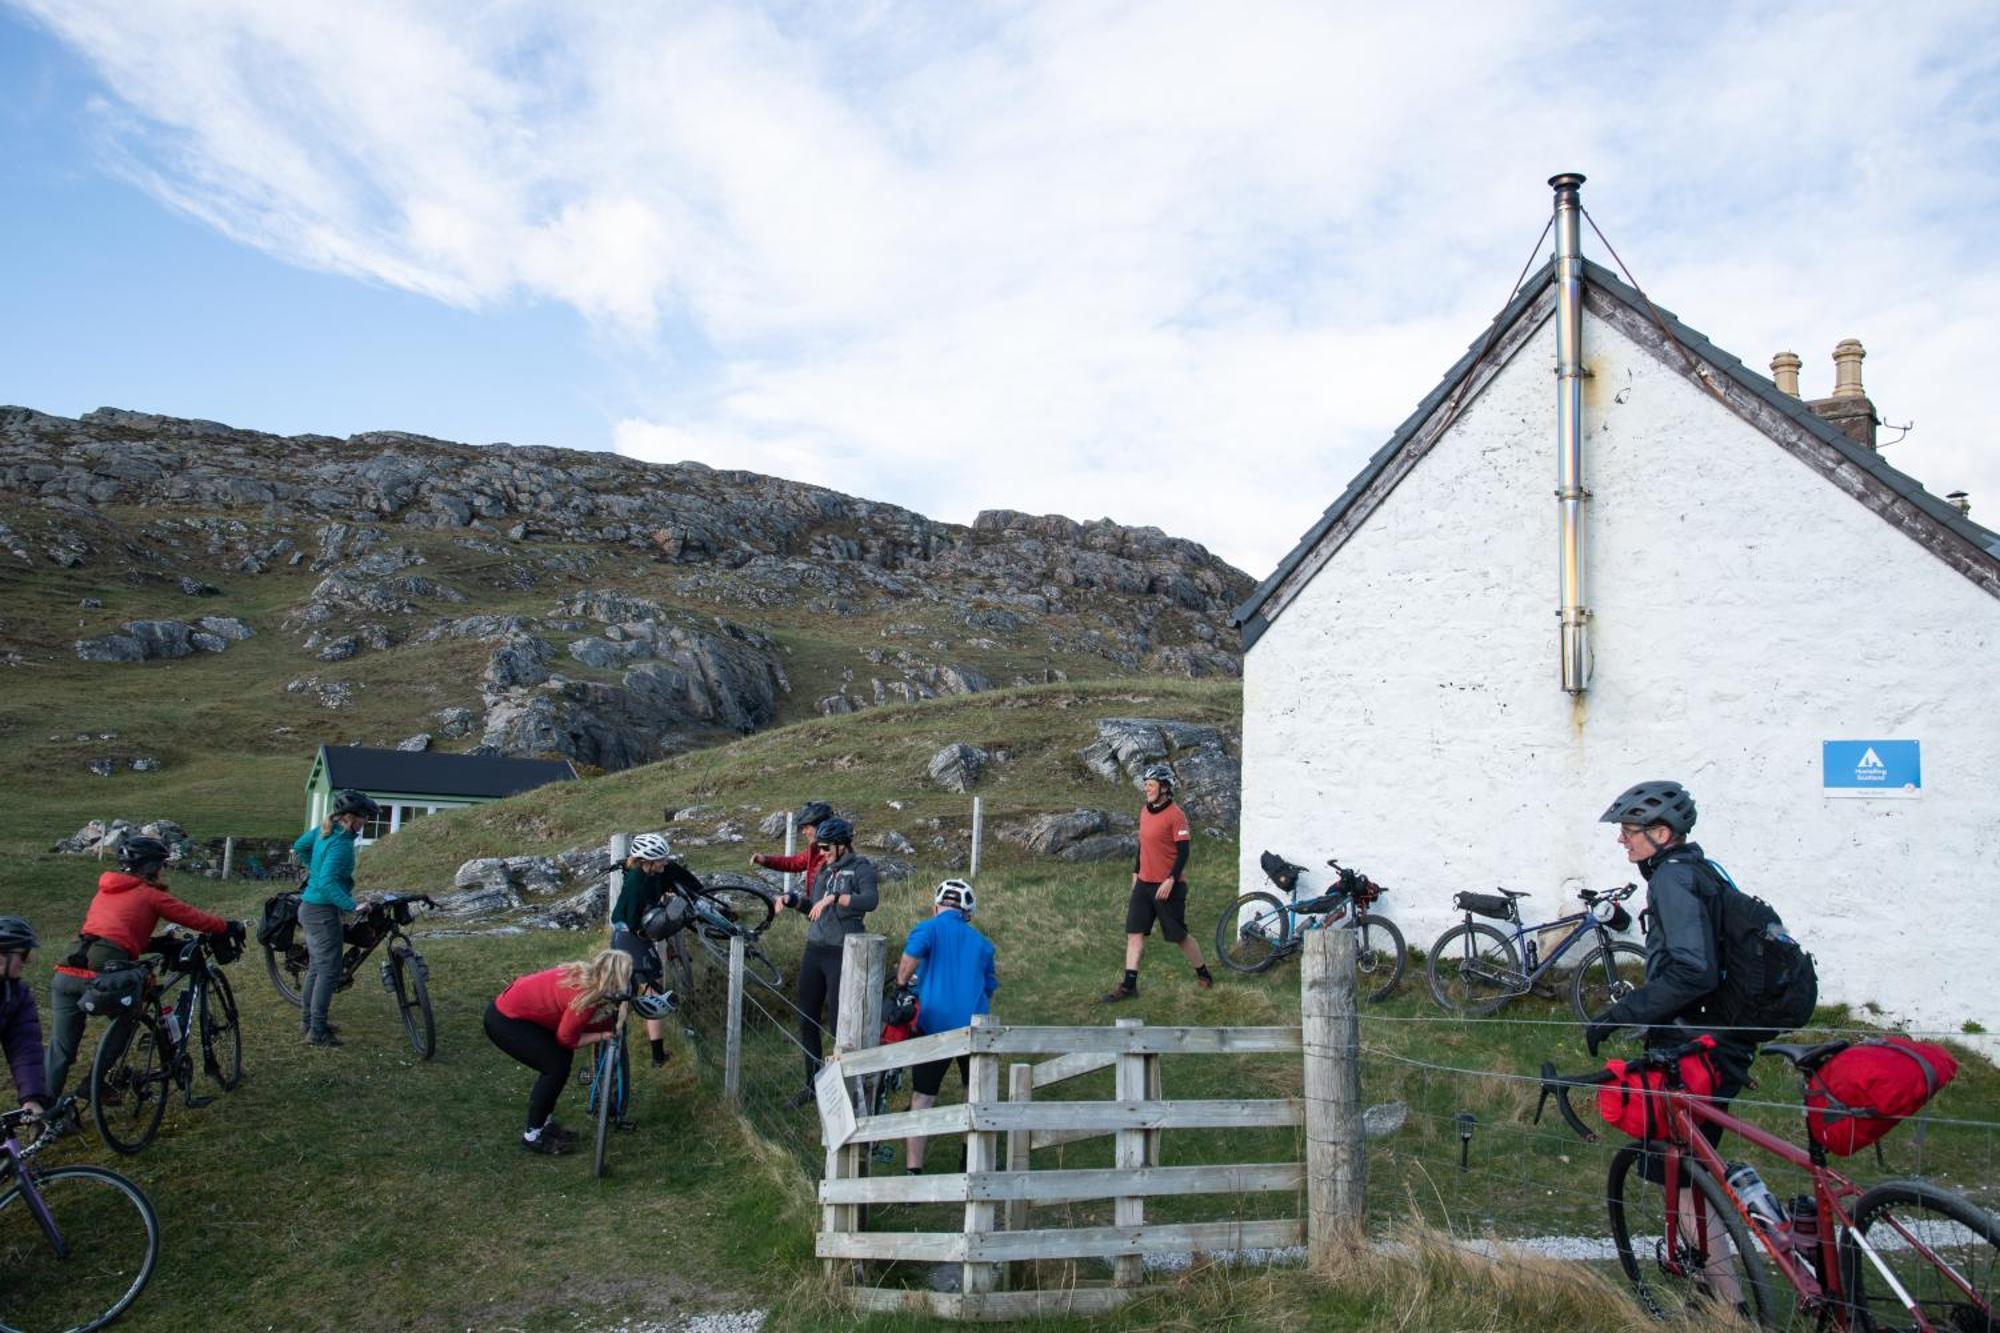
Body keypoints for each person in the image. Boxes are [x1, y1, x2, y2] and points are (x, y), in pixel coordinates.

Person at [1584, 779, 1759, 1306]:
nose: (1622, 841)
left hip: (1699, 1044)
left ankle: (1729, 1303)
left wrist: (1619, 1015)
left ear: (1662, 833)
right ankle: (1713, 1290)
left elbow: (1691, 970)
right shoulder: (1703, 872)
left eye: (1629, 831)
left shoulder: (1673, 881)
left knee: (1679, 1171)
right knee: (1692, 1168)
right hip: (1719, 1034)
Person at [44, 836, 236, 1098]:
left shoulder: (105, 891)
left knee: (61, 1047)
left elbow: (115, 933)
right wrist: (227, 926)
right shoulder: (150, 895)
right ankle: (93, 1083)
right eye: (161, 865)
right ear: (151, 867)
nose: (164, 870)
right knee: (129, 1018)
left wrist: (154, 943)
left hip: (67, 970)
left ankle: (41, 1112)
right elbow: (194, 917)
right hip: (102, 972)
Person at [484, 949, 656, 1155]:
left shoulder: (589, 976)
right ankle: (533, 1135)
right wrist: (603, 1036)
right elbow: (566, 1039)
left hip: (514, 1008)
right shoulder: (586, 999)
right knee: (554, 1067)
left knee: (561, 1061)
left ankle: (544, 1123)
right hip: (505, 1020)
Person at [896, 880, 998, 1174]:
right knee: (973, 1095)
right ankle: (971, 1161)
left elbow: (908, 962)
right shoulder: (983, 944)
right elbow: (990, 987)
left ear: (937, 906)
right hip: (974, 1030)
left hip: (933, 1026)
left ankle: (913, 1170)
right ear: (968, 913)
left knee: (923, 1096)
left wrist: (901, 987)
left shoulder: (928, 928)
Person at [775, 815, 878, 1104]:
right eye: (819, 848)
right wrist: (792, 900)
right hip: (815, 949)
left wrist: (836, 898)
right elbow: (814, 908)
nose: (820, 853)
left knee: (838, 1024)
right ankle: (812, 1084)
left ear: (843, 845)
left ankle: (843, 1088)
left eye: (825, 848)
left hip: (842, 951)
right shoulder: (824, 870)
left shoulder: (861, 868)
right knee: (806, 1018)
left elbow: (870, 900)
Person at [1101, 764, 1213, 1002]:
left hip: (1168, 886)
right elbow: (1142, 844)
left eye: (1151, 785)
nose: (1147, 790)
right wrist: (1136, 872)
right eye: (1146, 786)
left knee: (1179, 936)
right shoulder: (1144, 811)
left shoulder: (1176, 815)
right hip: (1144, 884)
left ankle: (1203, 973)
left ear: (1164, 788)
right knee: (1134, 933)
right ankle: (1129, 986)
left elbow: (1183, 853)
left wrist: (1171, 880)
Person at [292, 788, 379, 1047]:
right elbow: (329, 883)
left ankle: (309, 1022)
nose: (366, 822)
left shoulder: (325, 831)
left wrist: (314, 872)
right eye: (364, 817)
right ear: (349, 817)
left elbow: (300, 847)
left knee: (318, 968)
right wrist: (353, 905)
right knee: (329, 970)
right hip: (322, 911)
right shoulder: (340, 845)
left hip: (310, 906)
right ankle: (317, 1031)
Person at [612, 831, 702, 1066]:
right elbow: (633, 922)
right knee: (651, 989)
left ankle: (651, 1051)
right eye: (660, 859)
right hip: (629, 935)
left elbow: (686, 881)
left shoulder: (655, 871)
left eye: (664, 857)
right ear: (646, 861)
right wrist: (659, 914)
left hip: (638, 933)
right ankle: (656, 1056)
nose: (665, 862)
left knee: (646, 987)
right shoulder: (636, 883)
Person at [1, 916, 49, 1123]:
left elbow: (25, 1048)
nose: (28, 961)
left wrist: (32, 1098)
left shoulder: (17, 996)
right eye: (24, 953)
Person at [749, 800, 833, 896]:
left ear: (820, 827)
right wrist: (765, 860)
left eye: (806, 827)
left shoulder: (839, 858)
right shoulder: (816, 849)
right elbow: (796, 863)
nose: (803, 832)